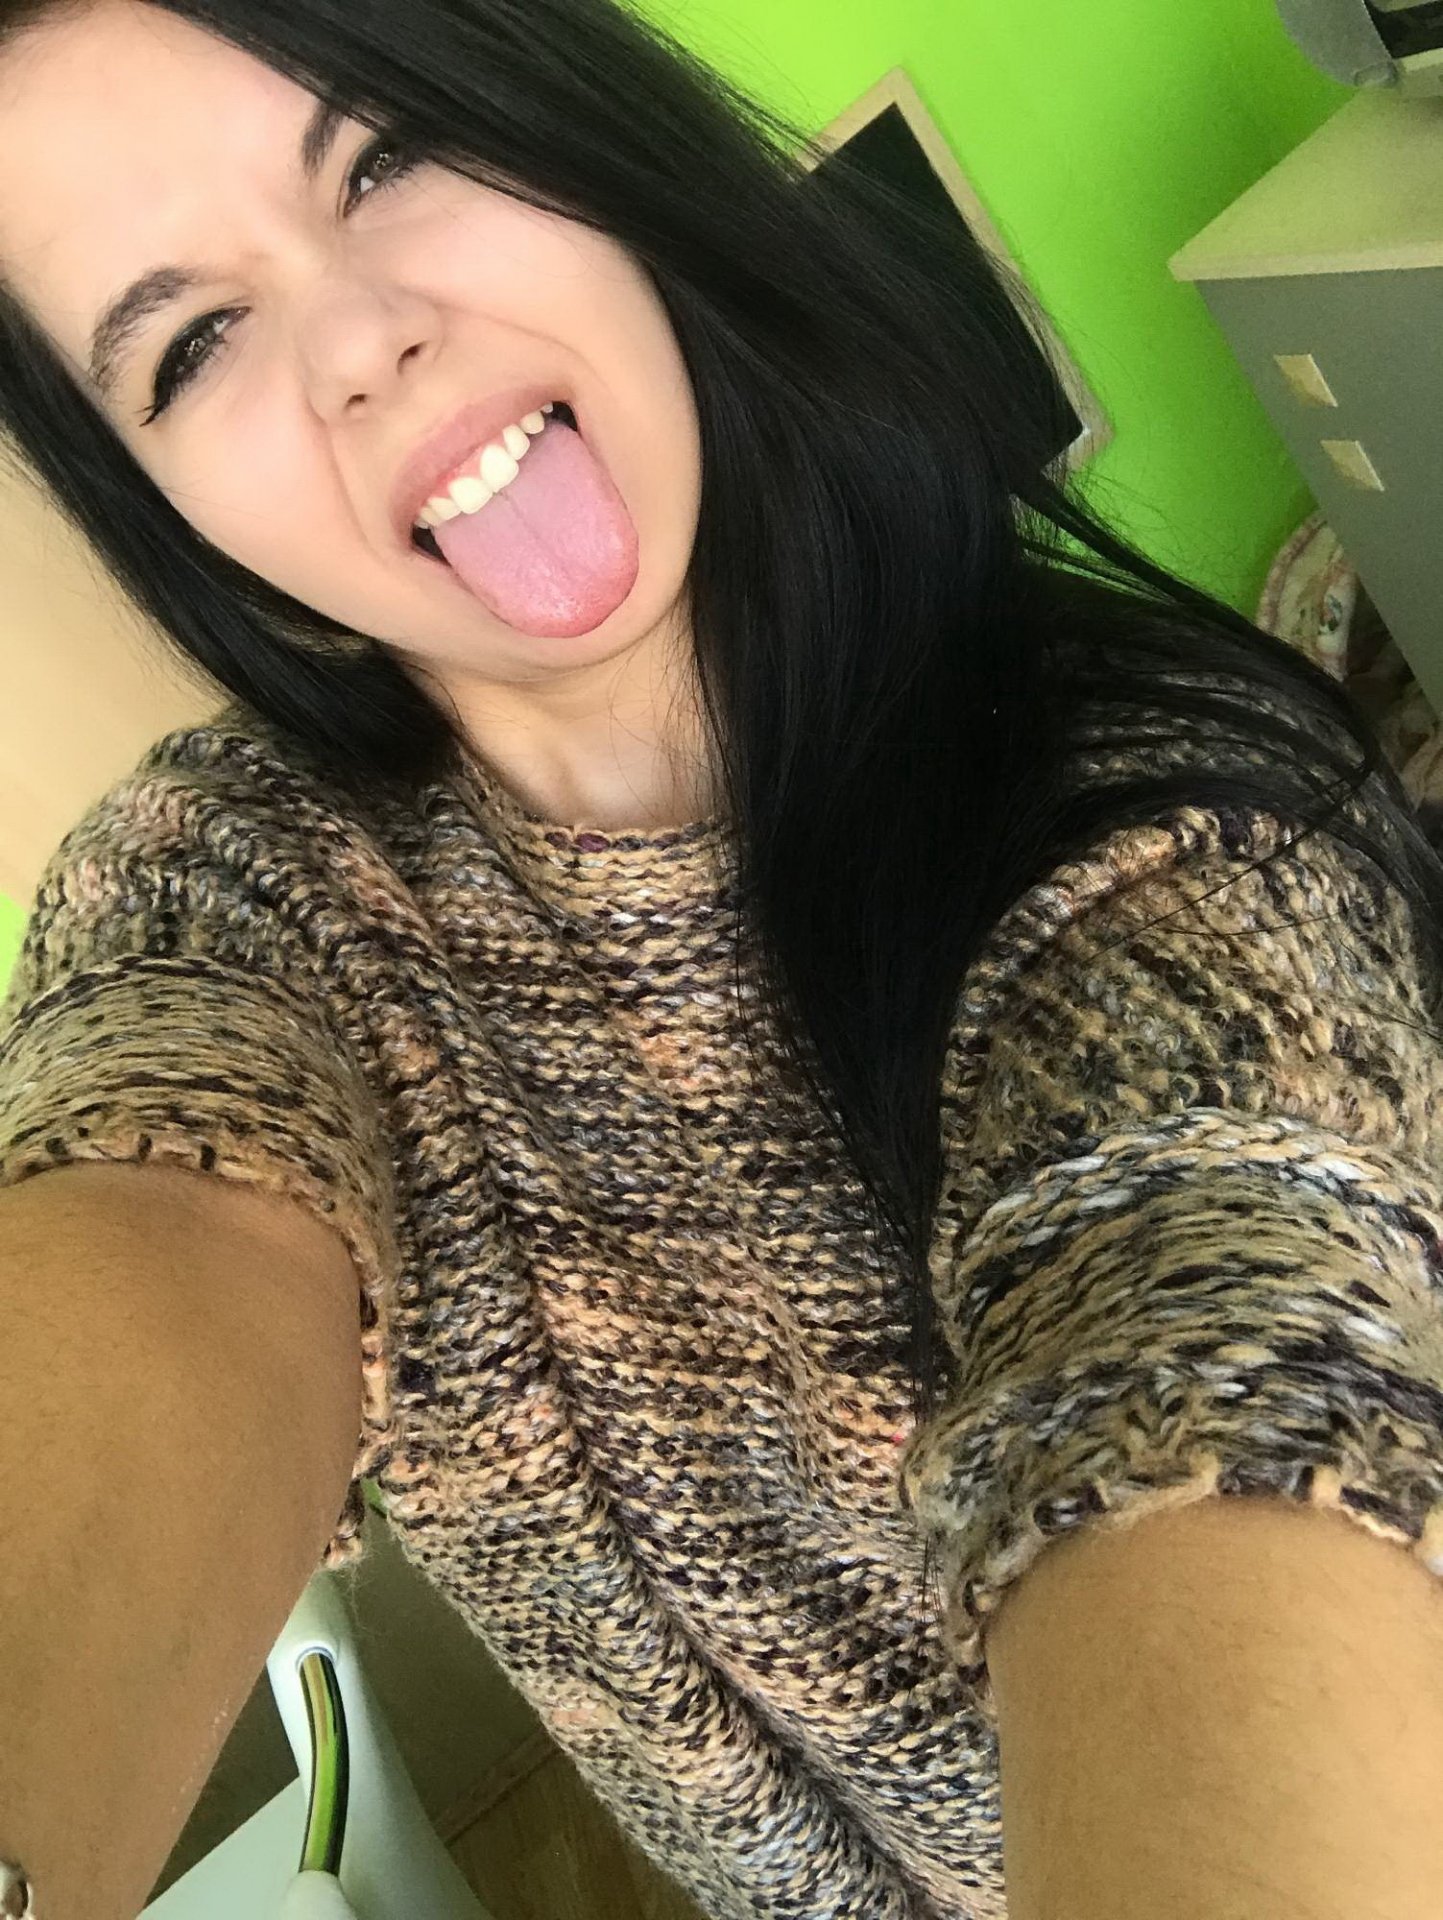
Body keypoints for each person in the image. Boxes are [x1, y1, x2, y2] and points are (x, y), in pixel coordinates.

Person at [4, 2, 1443, 1916]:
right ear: (163, 509)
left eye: (390, 152)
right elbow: (156, 1184)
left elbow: (1225, 1338)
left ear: (568, 121)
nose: (358, 346)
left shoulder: (1177, 870)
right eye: (189, 343)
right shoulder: (232, 889)